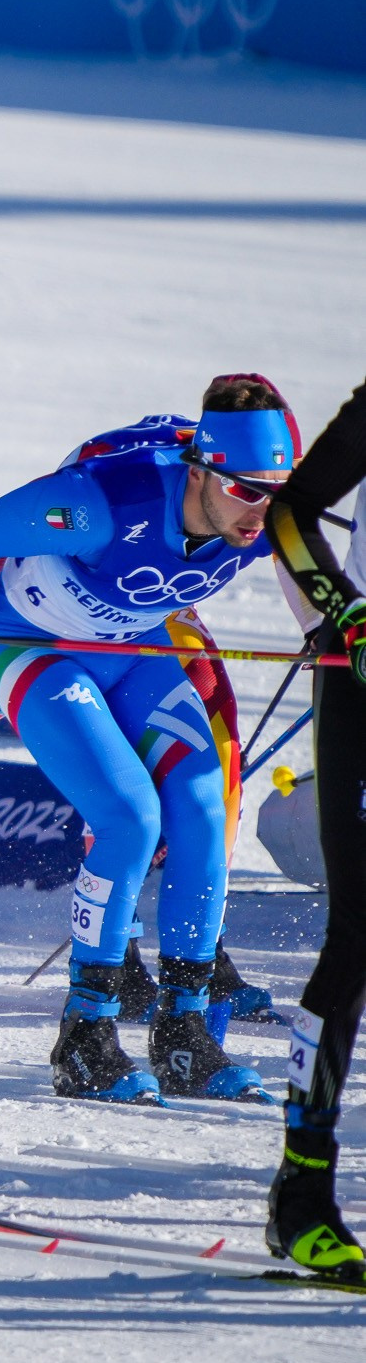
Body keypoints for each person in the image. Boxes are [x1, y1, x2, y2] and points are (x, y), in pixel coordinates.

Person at [0, 381, 294, 1105]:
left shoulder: (269, 515)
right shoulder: (104, 504)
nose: (262, 510)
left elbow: (327, 576)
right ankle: (85, 1035)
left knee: (203, 806)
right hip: (33, 647)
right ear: (201, 471)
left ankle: (184, 1032)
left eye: (276, 491)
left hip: (134, 651)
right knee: (129, 816)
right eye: (246, 490)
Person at [263, 377, 366, 1279]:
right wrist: (348, 612)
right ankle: (302, 1190)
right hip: (363, 685)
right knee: (358, 935)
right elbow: (290, 512)